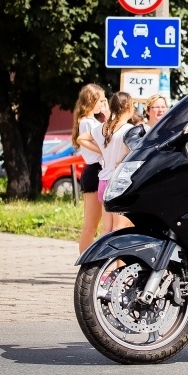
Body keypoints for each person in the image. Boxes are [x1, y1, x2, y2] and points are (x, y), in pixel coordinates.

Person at [78, 91, 135, 235]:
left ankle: (103, 257)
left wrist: (101, 150)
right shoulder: (129, 130)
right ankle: (119, 259)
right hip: (119, 183)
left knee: (106, 229)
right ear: (127, 107)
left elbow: (81, 139)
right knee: (119, 229)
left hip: (103, 181)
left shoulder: (103, 127)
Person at [72, 84, 109, 254]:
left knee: (96, 225)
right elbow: (96, 141)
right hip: (94, 171)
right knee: (90, 226)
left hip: (96, 170)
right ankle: (85, 264)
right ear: (91, 101)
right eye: (101, 101)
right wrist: (102, 150)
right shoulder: (87, 122)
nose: (103, 104)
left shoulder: (91, 121)